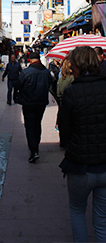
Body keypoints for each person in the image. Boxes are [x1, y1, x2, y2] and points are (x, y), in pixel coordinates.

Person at [58, 46, 106, 242]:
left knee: (77, 211)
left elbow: (65, 131)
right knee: (102, 219)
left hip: (80, 166)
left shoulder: (72, 93)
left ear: (76, 65)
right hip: (105, 164)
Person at [14, 51, 52, 163]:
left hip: (28, 103)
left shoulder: (26, 72)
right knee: (37, 124)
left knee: (29, 126)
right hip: (41, 103)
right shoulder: (46, 72)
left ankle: (33, 150)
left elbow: (17, 85)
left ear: (30, 60)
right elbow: (50, 83)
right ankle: (36, 146)